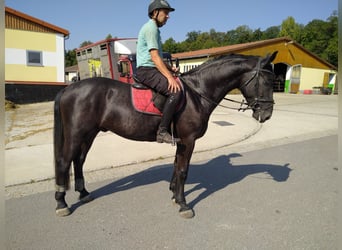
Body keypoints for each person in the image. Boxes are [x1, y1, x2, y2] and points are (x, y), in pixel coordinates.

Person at [136, 0, 182, 144]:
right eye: (166, 13)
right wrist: (170, 77)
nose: (168, 16)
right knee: (176, 91)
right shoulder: (151, 28)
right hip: (147, 70)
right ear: (155, 13)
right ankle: (162, 132)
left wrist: (171, 69)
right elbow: (154, 57)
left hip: (151, 68)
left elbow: (159, 58)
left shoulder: (154, 29)